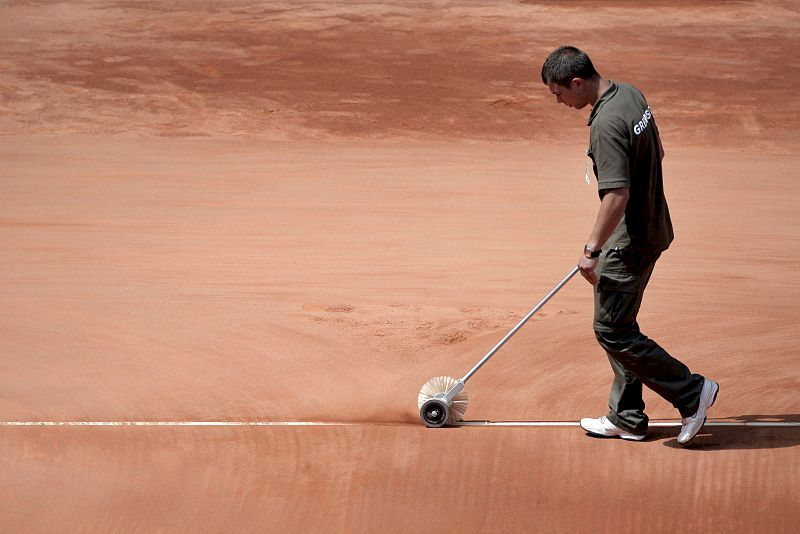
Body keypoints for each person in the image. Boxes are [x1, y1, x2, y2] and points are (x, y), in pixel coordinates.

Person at [540, 45, 718, 445]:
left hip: (630, 241)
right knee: (619, 323)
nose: (558, 102)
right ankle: (627, 416)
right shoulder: (630, 94)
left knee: (612, 330)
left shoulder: (604, 126)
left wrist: (591, 250)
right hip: (653, 224)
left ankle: (691, 393)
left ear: (577, 82)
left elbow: (616, 195)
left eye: (558, 93)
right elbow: (657, 151)